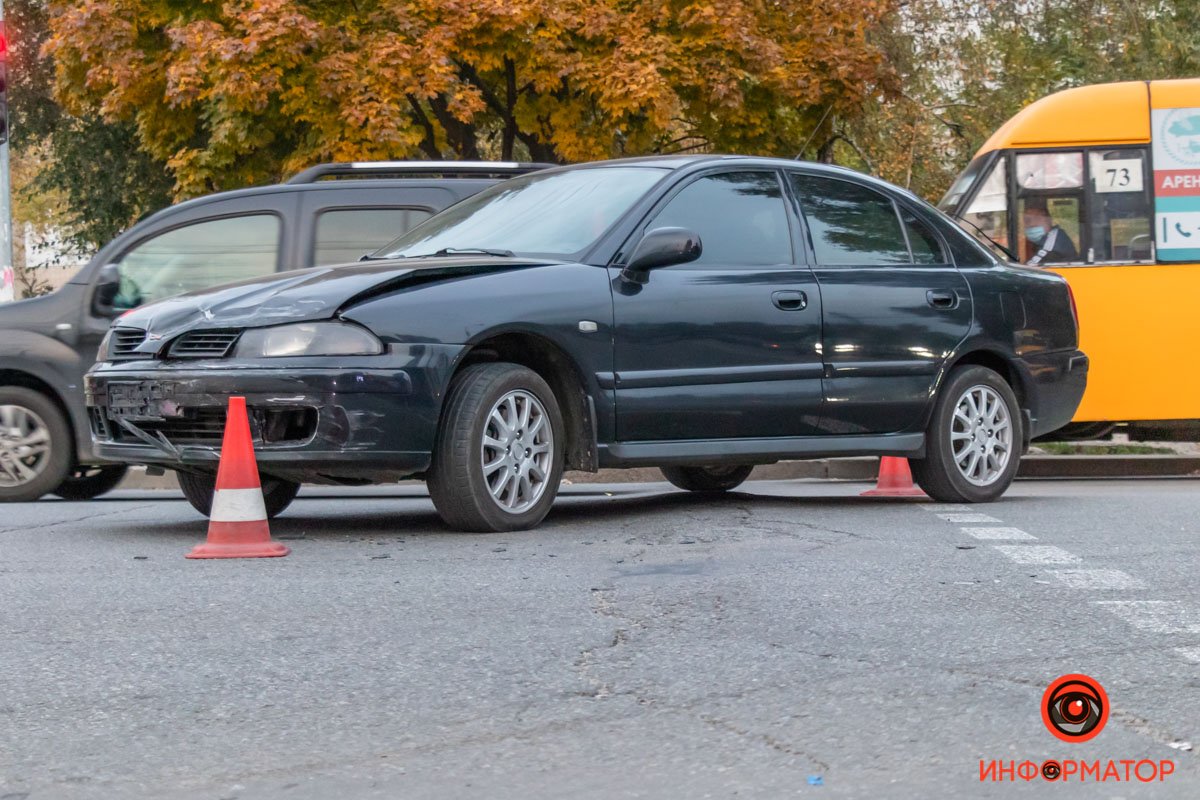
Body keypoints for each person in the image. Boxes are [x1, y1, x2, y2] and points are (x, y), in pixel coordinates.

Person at [1023, 201, 1078, 266]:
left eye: (1037, 219)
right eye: (1027, 221)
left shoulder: (1052, 243)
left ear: (1048, 220)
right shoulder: (1045, 238)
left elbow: (1030, 266)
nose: (1032, 224)